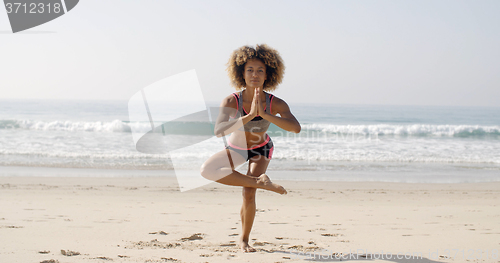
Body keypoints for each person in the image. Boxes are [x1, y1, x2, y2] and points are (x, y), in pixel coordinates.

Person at [200, 44, 301, 252]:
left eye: (260, 71)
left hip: (261, 150)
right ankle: (261, 182)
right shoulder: (231, 100)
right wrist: (247, 116)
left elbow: (295, 128)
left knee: (248, 193)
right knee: (206, 170)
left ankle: (244, 239)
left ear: (268, 75)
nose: (254, 74)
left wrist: (264, 114)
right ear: (241, 73)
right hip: (237, 149)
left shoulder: (275, 103)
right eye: (250, 70)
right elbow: (219, 130)